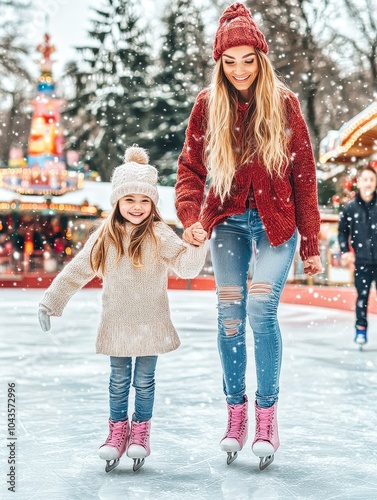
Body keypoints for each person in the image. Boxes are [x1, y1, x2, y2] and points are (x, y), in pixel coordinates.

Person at [175, 2, 322, 470]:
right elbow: (190, 169)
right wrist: (189, 215)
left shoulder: (284, 103)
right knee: (229, 314)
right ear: (220, 62)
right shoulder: (206, 105)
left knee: (261, 307)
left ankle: (266, 415)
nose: (239, 70)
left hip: (277, 223)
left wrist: (313, 244)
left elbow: (305, 176)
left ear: (261, 58)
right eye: (229, 61)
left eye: (248, 59)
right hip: (228, 225)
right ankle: (235, 414)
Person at [38, 146, 207, 473]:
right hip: (117, 323)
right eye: (129, 199)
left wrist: (197, 245)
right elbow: (77, 271)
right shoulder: (106, 235)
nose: (137, 207)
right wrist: (51, 301)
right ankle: (117, 432)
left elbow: (186, 268)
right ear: (117, 201)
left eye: (145, 200)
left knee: (144, 382)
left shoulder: (159, 233)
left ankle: (140, 432)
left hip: (151, 322)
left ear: (153, 204)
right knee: (118, 381)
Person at [338, 166, 377, 347]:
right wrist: (345, 251)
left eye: (371, 179)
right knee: (362, 297)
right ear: (359, 182)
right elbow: (342, 231)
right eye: (365, 179)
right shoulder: (350, 207)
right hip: (362, 261)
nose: (368, 183)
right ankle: (361, 328)